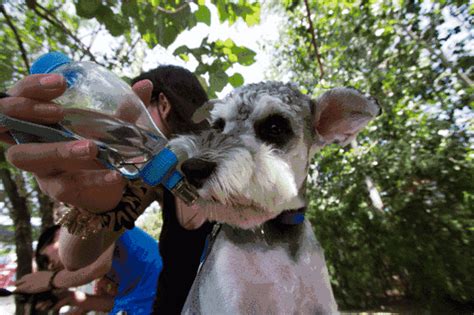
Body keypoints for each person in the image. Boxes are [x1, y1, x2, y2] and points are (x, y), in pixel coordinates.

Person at [1, 65, 213, 313]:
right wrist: (91, 205)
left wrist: (50, 281)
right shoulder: (148, 179)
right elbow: (75, 256)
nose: (121, 124)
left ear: (163, 105)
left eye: (137, 112)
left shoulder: (236, 160)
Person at [16, 224, 163, 314]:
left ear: (59, 234)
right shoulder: (102, 262)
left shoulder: (93, 223)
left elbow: (97, 268)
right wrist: (69, 298)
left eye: (45, 259)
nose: (49, 266)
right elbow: (117, 303)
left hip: (170, 295)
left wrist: (51, 280)